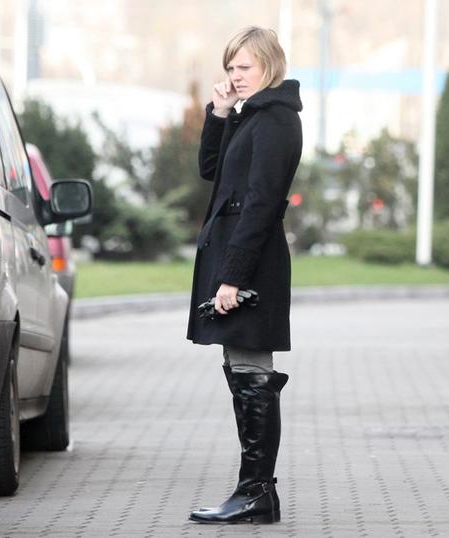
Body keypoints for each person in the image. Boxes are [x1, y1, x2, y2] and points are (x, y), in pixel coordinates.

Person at [186, 26, 303, 525]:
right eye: (231, 68)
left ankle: (256, 493)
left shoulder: (275, 120)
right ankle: (254, 492)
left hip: (251, 261)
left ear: (269, 66)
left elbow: (260, 202)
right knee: (243, 371)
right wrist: (218, 113)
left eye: (244, 68)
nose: (235, 77)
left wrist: (232, 278)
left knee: (253, 373)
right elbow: (211, 169)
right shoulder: (252, 115)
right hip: (237, 257)